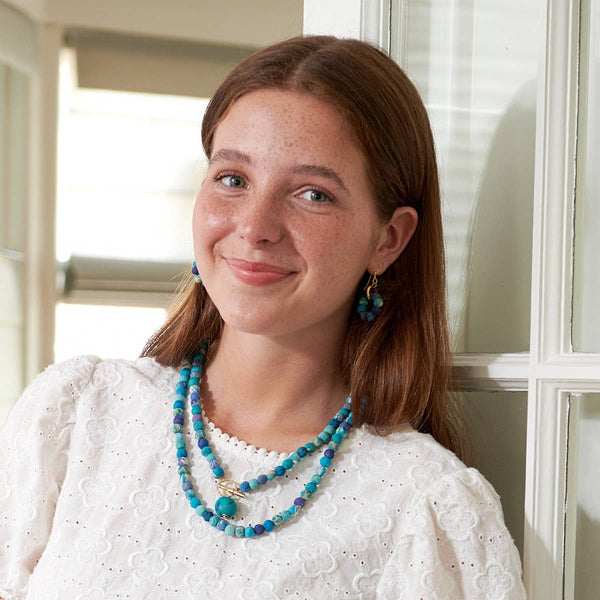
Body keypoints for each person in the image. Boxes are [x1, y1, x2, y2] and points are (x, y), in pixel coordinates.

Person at [0, 35, 526, 599]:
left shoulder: (427, 511)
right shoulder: (76, 417)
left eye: (312, 194)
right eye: (233, 179)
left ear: (388, 239)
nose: (255, 227)